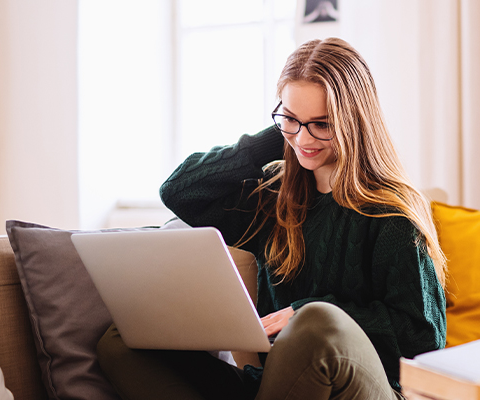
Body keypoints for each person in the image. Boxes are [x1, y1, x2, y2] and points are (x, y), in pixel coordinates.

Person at [97, 37, 447, 400]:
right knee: (124, 339)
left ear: (353, 122)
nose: (304, 139)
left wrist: (303, 314)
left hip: (362, 389)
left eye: (322, 125)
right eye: (291, 120)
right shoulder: (273, 198)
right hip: (276, 386)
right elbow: (179, 190)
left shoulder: (392, 212)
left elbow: (424, 338)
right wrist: (275, 138)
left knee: (318, 323)